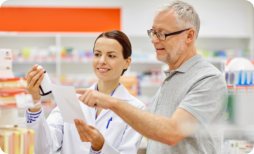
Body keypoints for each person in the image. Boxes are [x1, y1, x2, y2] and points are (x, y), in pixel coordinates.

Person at [76, 1, 228, 154]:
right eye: (153, 32)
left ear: (189, 36)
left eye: (162, 34)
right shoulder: (170, 79)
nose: (154, 40)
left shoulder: (208, 79)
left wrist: (110, 102)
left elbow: (172, 132)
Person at [25, 30, 145, 154]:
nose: (102, 61)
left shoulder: (135, 108)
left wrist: (100, 146)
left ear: (127, 62)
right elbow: (44, 149)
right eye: (97, 54)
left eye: (111, 56)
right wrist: (35, 101)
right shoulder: (71, 99)